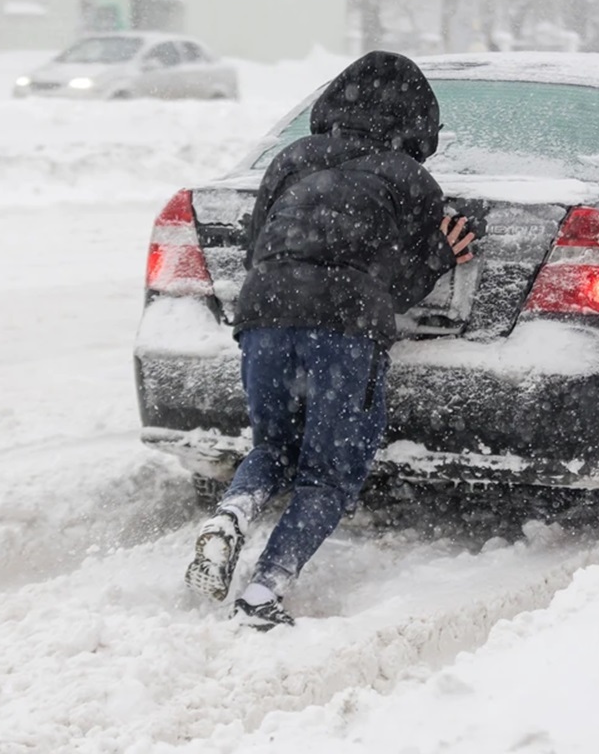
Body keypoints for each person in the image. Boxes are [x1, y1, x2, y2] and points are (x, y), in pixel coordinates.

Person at [183, 51, 474, 630]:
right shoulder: (412, 180)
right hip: (345, 328)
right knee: (327, 474)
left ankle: (232, 514)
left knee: (270, 449)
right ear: (418, 121)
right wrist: (445, 252)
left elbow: (256, 244)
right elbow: (402, 287)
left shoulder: (291, 159)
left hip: (263, 313)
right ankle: (263, 593)